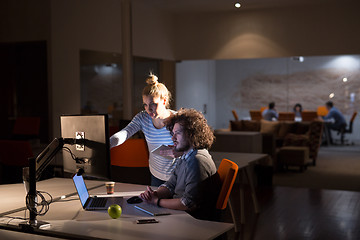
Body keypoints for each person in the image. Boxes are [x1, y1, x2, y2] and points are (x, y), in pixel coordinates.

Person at [140, 108, 222, 221]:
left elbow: (188, 203)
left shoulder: (197, 161)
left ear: (191, 134)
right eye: (173, 133)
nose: (173, 138)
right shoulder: (186, 156)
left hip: (193, 221)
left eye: (177, 133)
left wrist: (157, 202)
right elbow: (171, 185)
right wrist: (155, 194)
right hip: (181, 215)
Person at [110, 74, 176, 187]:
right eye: (145, 105)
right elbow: (125, 133)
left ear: (164, 101)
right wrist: (107, 144)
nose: (148, 109)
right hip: (156, 175)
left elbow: (191, 149)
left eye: (153, 104)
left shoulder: (177, 119)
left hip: (178, 175)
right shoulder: (143, 117)